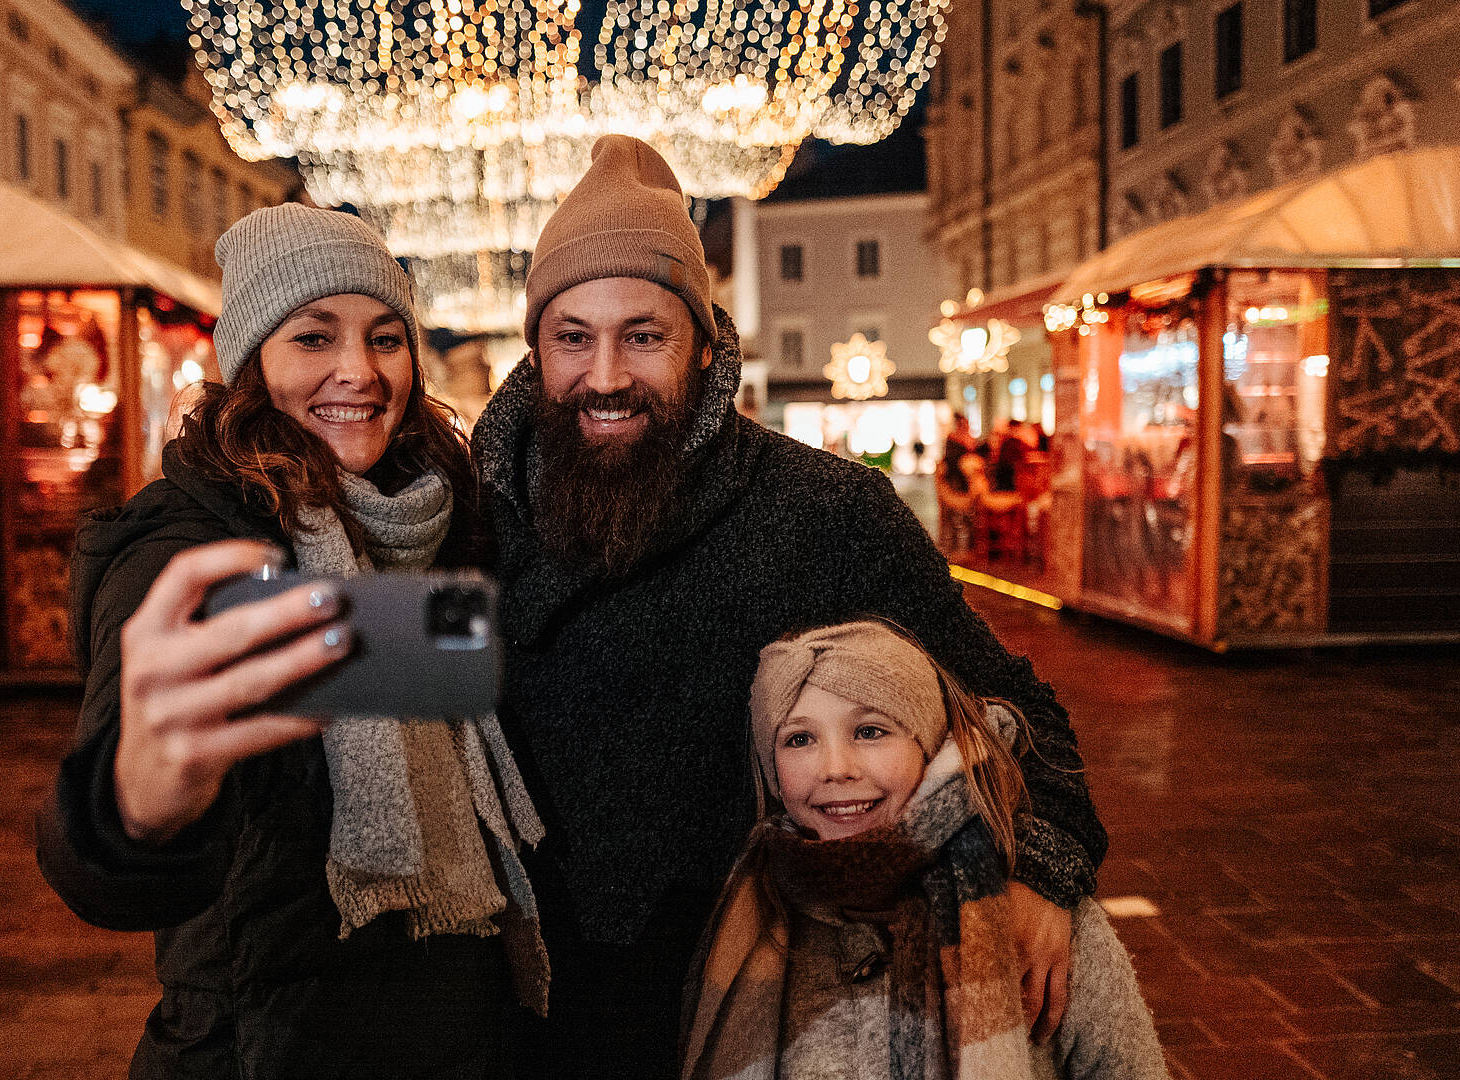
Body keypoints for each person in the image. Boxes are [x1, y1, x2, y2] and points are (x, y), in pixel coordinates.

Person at [471, 135, 1106, 1079]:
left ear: (702, 344)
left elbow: (1015, 708)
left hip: (761, 1008)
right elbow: (372, 731)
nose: (604, 376)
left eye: (643, 335)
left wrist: (1044, 875)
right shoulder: (472, 525)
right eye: (574, 337)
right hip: (519, 1012)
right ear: (537, 351)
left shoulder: (819, 514)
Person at [35, 204, 546, 1080]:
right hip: (270, 1043)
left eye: (386, 338)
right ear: (251, 363)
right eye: (314, 338)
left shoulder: (429, 522)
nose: (360, 370)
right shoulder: (189, 547)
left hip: (456, 1031)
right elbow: (107, 851)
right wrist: (134, 804)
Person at [683, 622, 1166, 1080]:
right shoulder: (747, 925)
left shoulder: (1041, 923)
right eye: (799, 739)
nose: (835, 767)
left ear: (930, 744)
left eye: (870, 730)